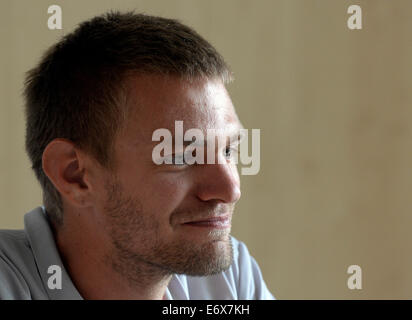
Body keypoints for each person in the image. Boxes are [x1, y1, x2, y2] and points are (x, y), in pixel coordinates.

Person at [0, 11, 274, 300]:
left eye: (228, 150)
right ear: (75, 175)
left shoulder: (228, 280)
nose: (230, 190)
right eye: (181, 157)